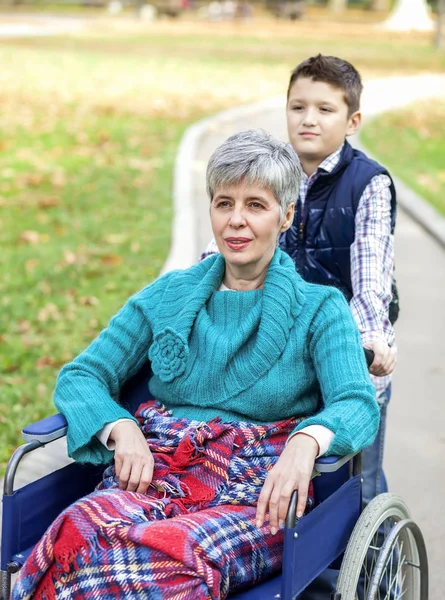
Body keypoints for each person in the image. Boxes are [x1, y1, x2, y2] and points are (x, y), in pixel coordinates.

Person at [12, 130, 378, 600]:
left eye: (256, 205)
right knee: (74, 531)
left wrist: (306, 443)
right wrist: (121, 430)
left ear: (285, 216)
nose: (236, 221)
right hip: (156, 471)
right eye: (224, 203)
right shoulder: (168, 296)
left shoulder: (320, 308)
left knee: (176, 555)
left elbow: (356, 402)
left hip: (256, 488)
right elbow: (82, 375)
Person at [202, 55, 397, 514]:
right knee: (269, 454)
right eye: (298, 107)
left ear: (352, 121)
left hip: (345, 343)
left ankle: (368, 559)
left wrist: (369, 341)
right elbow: (228, 243)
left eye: (325, 110)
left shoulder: (368, 184)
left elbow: (372, 277)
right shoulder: (269, 171)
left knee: (355, 479)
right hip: (277, 347)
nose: (308, 119)